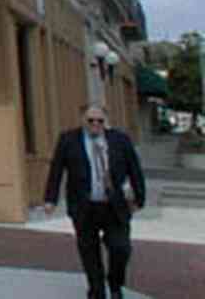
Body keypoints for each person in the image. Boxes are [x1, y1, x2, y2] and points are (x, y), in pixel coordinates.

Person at [43, 103, 146, 299]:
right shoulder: (68, 140)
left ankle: (115, 284)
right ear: (83, 120)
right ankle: (96, 289)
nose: (95, 124)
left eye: (100, 120)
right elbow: (56, 170)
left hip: (114, 206)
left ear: (105, 121)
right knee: (89, 251)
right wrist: (50, 199)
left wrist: (139, 198)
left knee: (121, 248)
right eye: (91, 120)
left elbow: (135, 169)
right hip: (84, 207)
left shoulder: (120, 140)